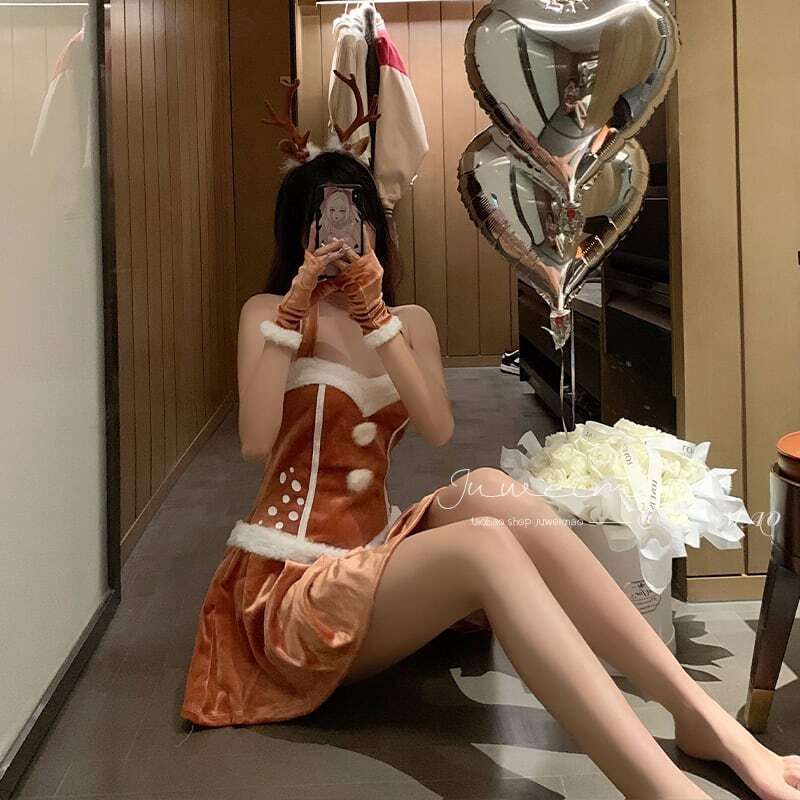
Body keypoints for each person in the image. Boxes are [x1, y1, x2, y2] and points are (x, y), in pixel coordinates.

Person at [182, 83, 800, 800]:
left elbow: (438, 429)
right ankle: (663, 790)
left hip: (371, 548)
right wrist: (293, 311)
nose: (341, 234)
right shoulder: (268, 314)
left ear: (376, 226)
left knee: (490, 491)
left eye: (355, 215)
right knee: (482, 545)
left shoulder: (408, 322)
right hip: (289, 585)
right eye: (323, 219)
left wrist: (378, 318)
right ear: (299, 233)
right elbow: (256, 439)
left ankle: (703, 720)